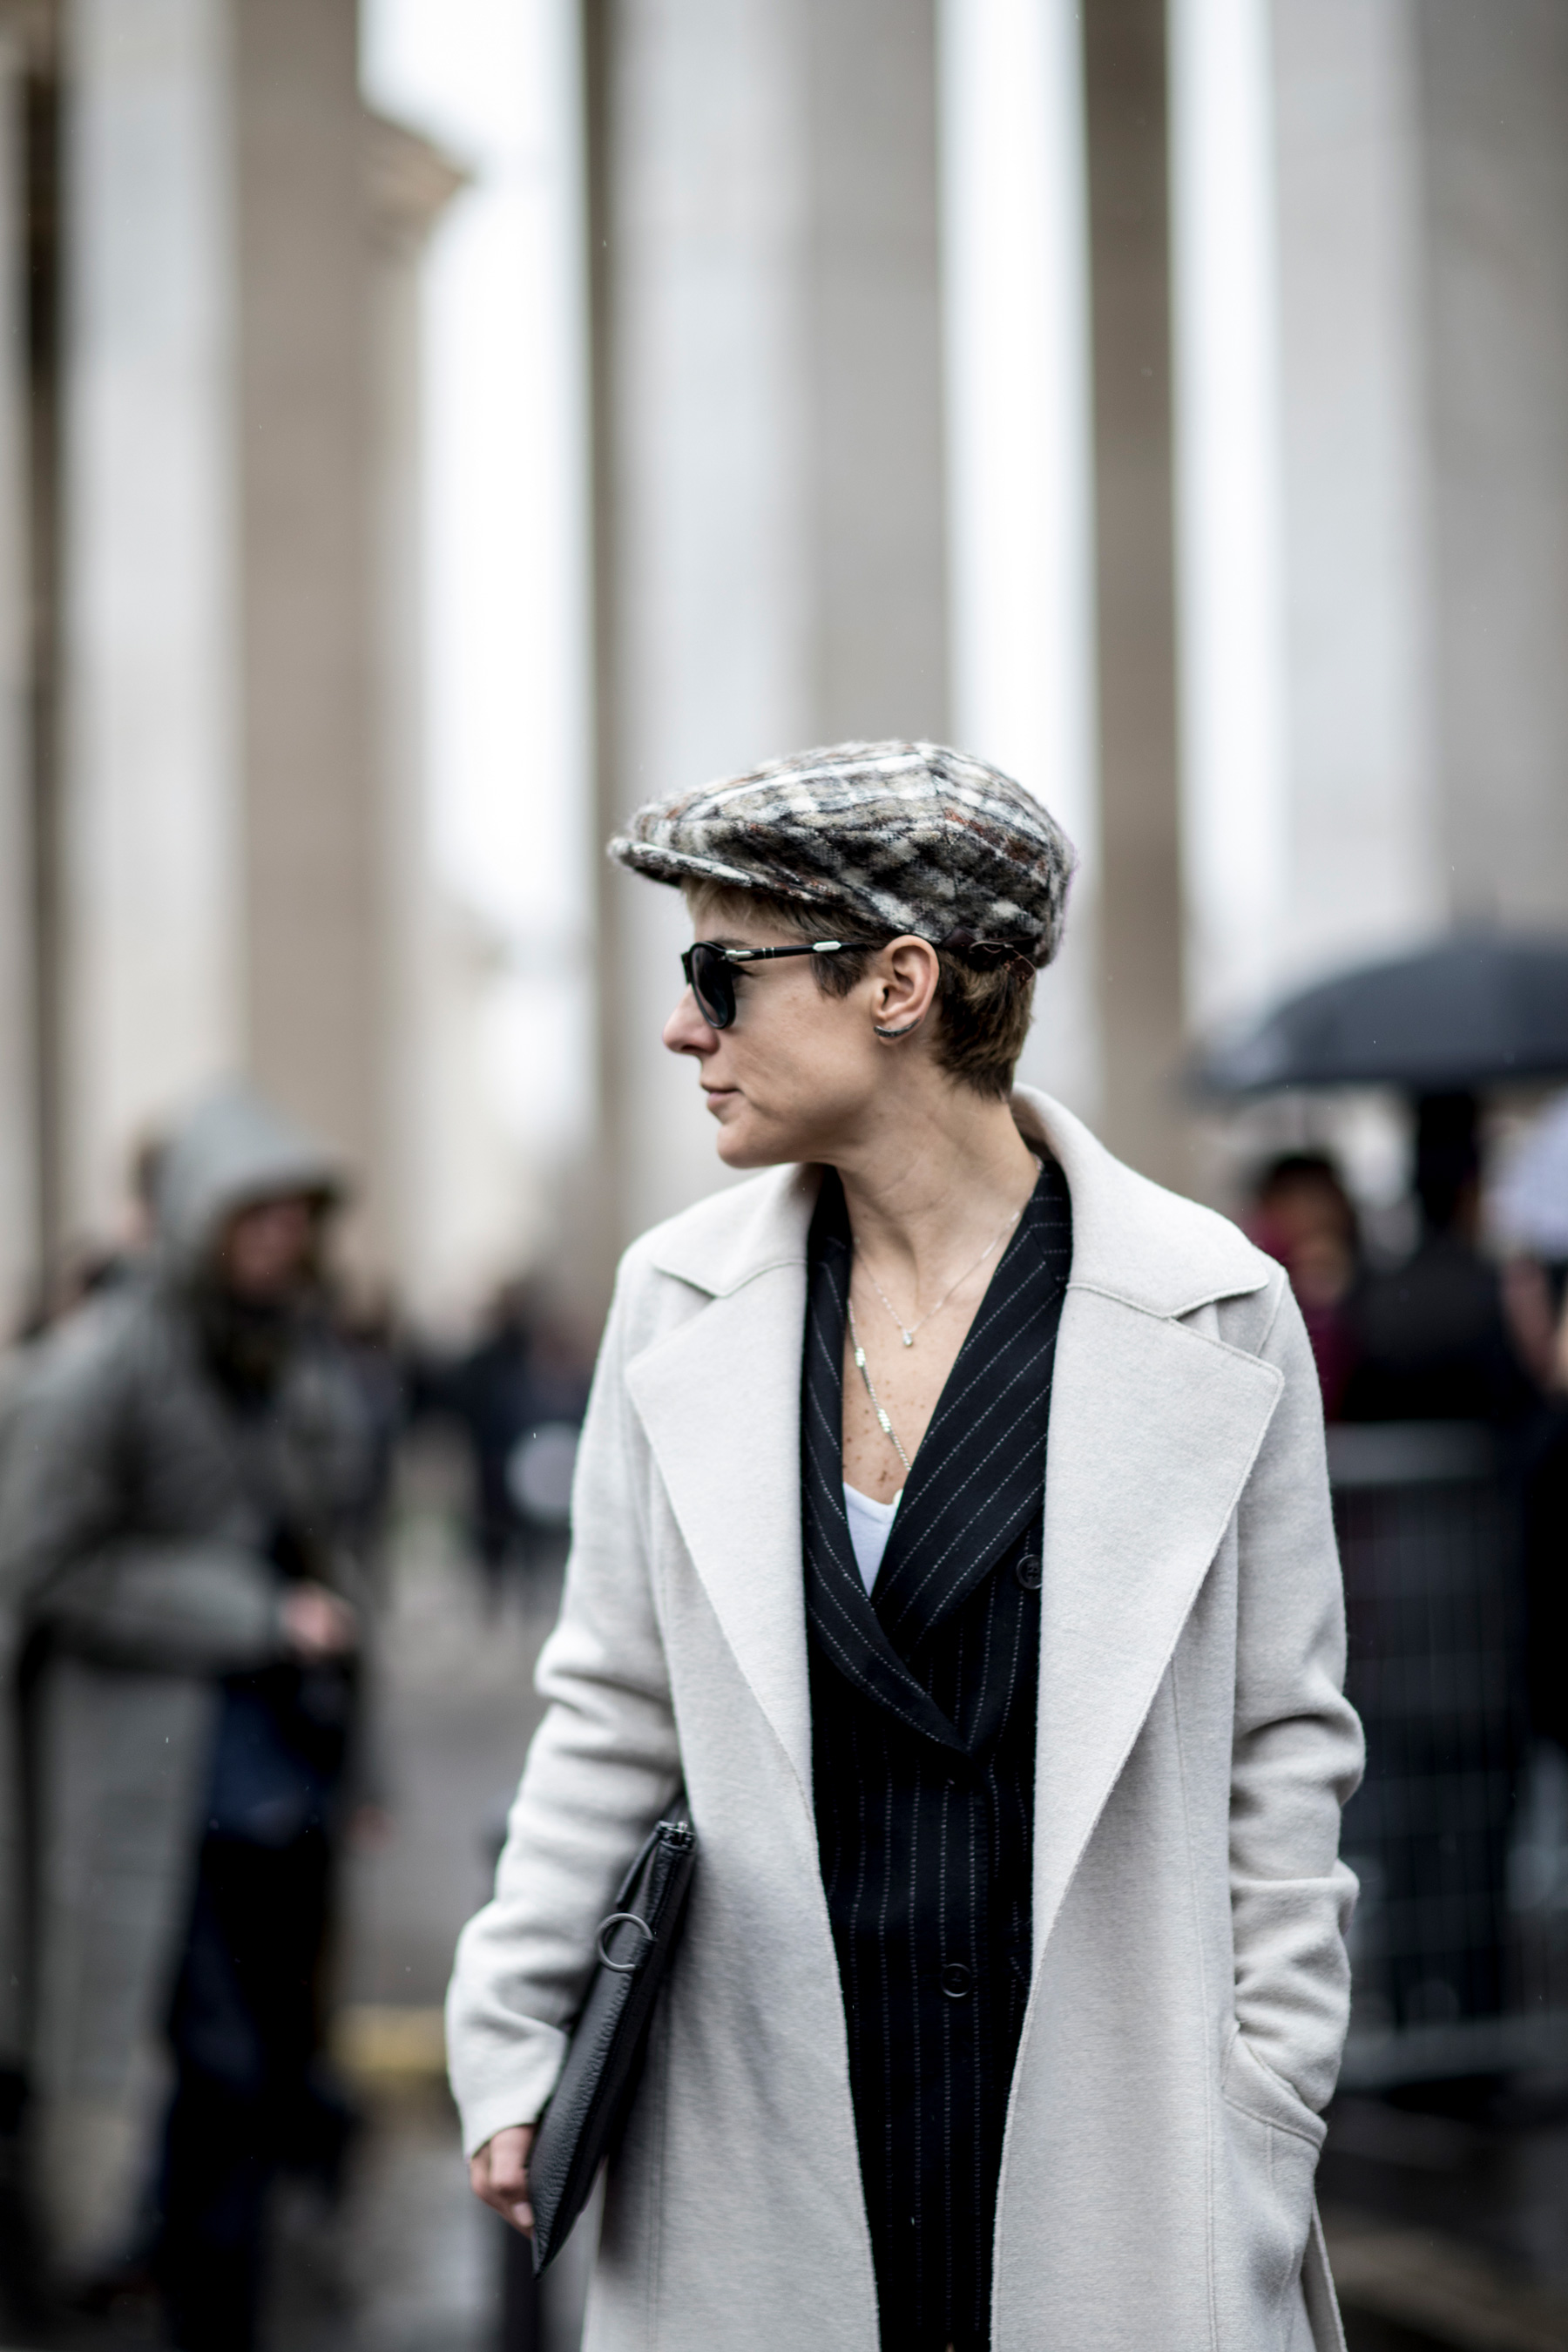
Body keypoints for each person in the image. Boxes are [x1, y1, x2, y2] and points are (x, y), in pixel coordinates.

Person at [448, 741, 1364, 2352]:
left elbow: (1281, 1757)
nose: (684, 1028)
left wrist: (1263, 2122)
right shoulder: (677, 1300)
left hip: (1112, 2148)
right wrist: (515, 2029)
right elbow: (610, 1705)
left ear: (897, 982)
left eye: (721, 975)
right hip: (768, 2124)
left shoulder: (1214, 1309)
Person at [0, 1084, 371, 2349]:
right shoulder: (100, 1368)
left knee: (262, 2081)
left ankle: (216, 2296)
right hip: (154, 1795)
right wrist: (249, 1613)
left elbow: (328, 1555)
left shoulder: (289, 1358)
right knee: (213, 2072)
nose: (279, 1240)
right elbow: (42, 1568)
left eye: (294, 1217)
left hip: (281, 1782)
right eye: (253, 1215)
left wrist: (359, 1758)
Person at [1246, 1152, 1361, 1418]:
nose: (1315, 1214)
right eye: (1299, 1199)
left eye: (1322, 1200)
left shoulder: (1360, 1268)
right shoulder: (1254, 1272)